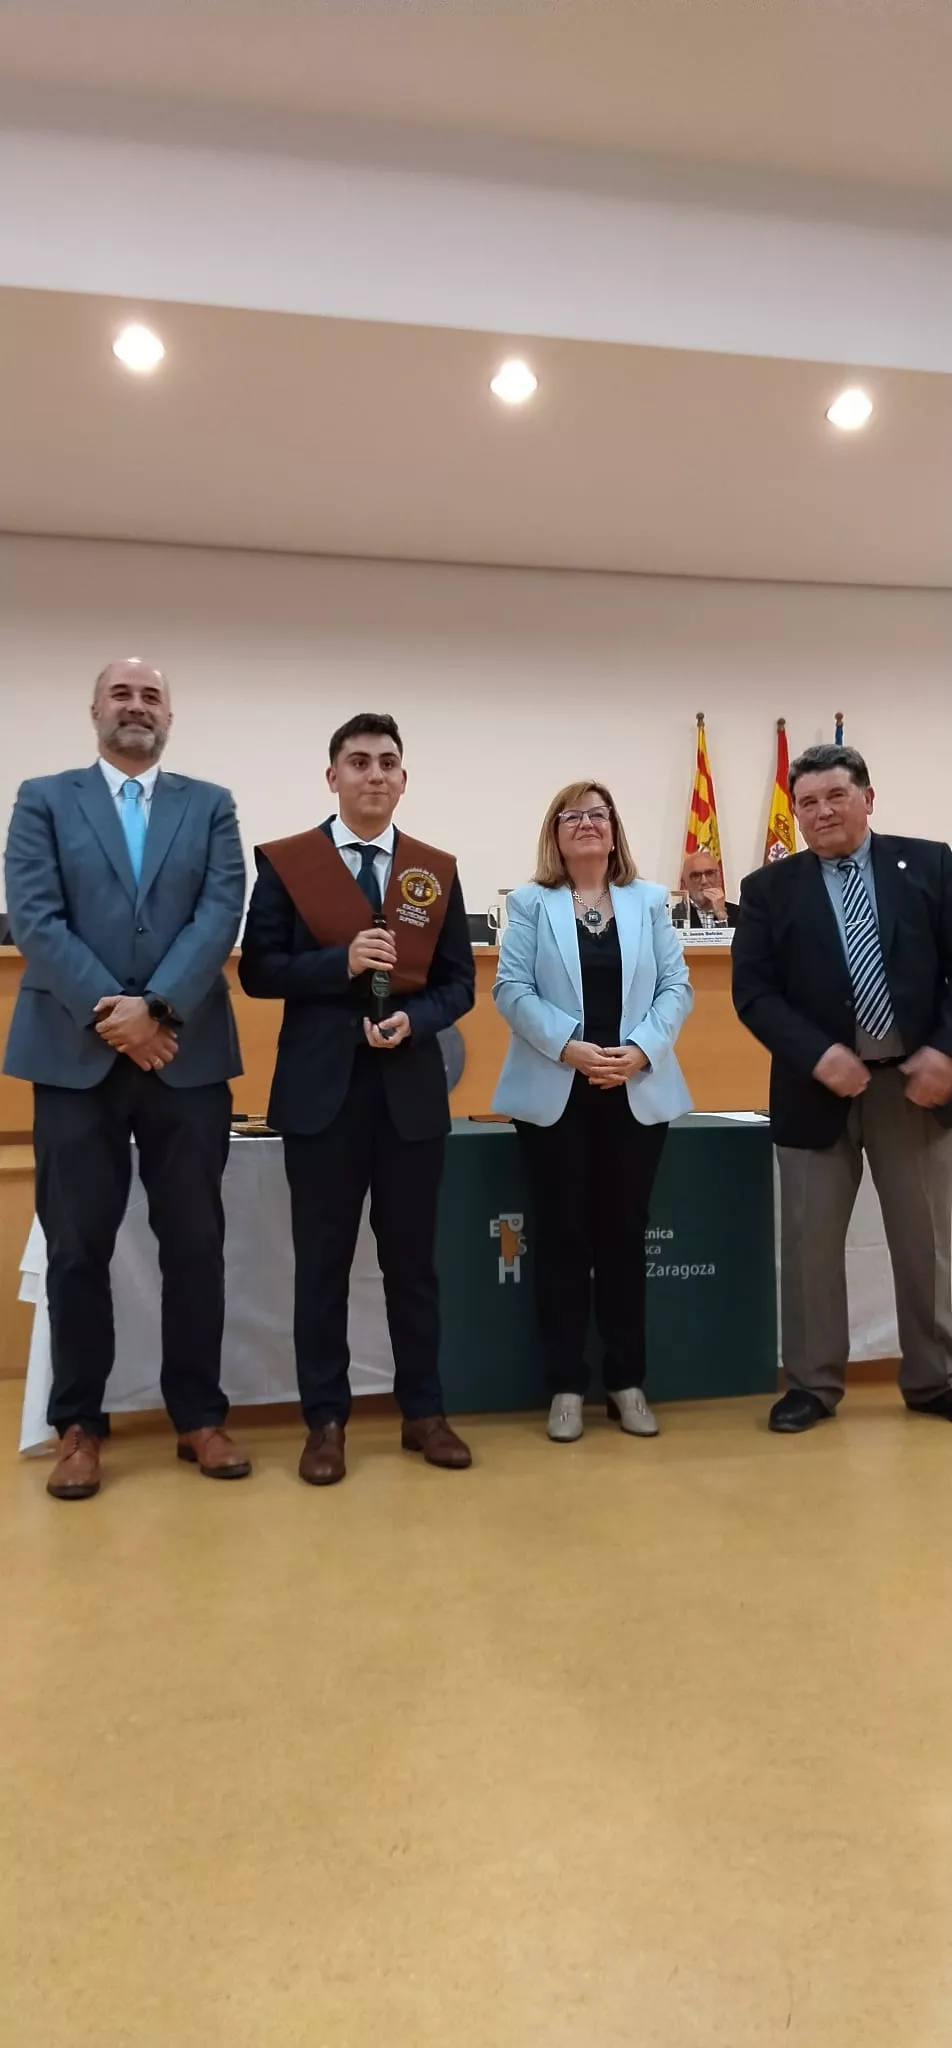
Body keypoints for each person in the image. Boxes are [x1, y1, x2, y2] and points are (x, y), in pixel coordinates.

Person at [3, 658, 250, 1498]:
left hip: (186, 1057)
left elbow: (221, 912)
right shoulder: (43, 798)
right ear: (95, 711)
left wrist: (160, 1010)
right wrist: (117, 1014)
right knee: (78, 1249)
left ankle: (199, 1419)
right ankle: (79, 1425)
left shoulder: (209, 805)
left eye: (151, 696)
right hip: (74, 1058)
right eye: (122, 693)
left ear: (170, 715)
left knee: (196, 1245)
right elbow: (34, 914)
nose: (136, 706)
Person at [238, 713, 475, 1486]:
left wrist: (420, 1019)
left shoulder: (432, 871)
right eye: (359, 762)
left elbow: (458, 984)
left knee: (413, 1265)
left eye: (388, 763)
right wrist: (338, 963)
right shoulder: (287, 863)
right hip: (320, 1097)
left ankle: (424, 1412)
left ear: (404, 780)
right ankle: (325, 1422)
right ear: (332, 776)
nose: (375, 774)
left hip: (408, 1093)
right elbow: (260, 972)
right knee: (323, 1266)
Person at [732, 742, 952, 1433]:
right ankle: (813, 1384)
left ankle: (934, 1376)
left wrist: (945, 1051)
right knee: (809, 1244)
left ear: (867, 798)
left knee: (928, 1242)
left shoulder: (932, 865)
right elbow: (755, 994)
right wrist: (818, 1054)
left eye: (835, 796)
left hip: (914, 1088)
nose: (821, 812)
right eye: (807, 803)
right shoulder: (769, 889)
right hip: (813, 1088)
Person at [492, 781, 693, 1442]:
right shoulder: (529, 903)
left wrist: (639, 1050)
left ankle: (627, 1381)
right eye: (571, 816)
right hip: (557, 1092)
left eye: (597, 815)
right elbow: (510, 989)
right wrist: (568, 1047)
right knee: (565, 1236)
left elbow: (676, 987)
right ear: (555, 833)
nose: (585, 825)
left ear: (614, 830)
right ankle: (565, 1386)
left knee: (623, 1236)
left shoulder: (651, 901)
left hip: (634, 1090)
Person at [671, 849, 739, 929]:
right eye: (696, 875)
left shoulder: (741, 914)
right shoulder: (671, 916)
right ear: (684, 884)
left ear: (720, 878)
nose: (704, 881)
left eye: (710, 873)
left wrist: (721, 915)